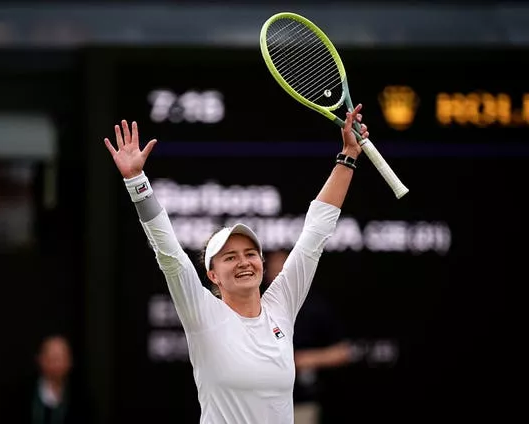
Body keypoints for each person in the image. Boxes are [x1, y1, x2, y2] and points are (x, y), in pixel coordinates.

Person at [103, 104, 368, 424]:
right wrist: (136, 180)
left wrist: (348, 156)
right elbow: (168, 251)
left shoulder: (281, 305)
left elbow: (315, 233)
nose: (243, 262)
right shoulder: (202, 312)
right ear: (213, 275)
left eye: (250, 253)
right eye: (230, 257)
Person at [264, 250, 353, 424]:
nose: (279, 277)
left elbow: (343, 351)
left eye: (284, 271)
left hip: (301, 401)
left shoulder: (315, 307)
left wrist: (301, 360)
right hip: (261, 402)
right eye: (274, 271)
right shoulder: (258, 305)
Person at [13, 334, 93, 424]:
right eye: (51, 358)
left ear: (70, 362)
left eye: (60, 358)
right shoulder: (25, 393)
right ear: (40, 360)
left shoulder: (80, 396)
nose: (56, 364)